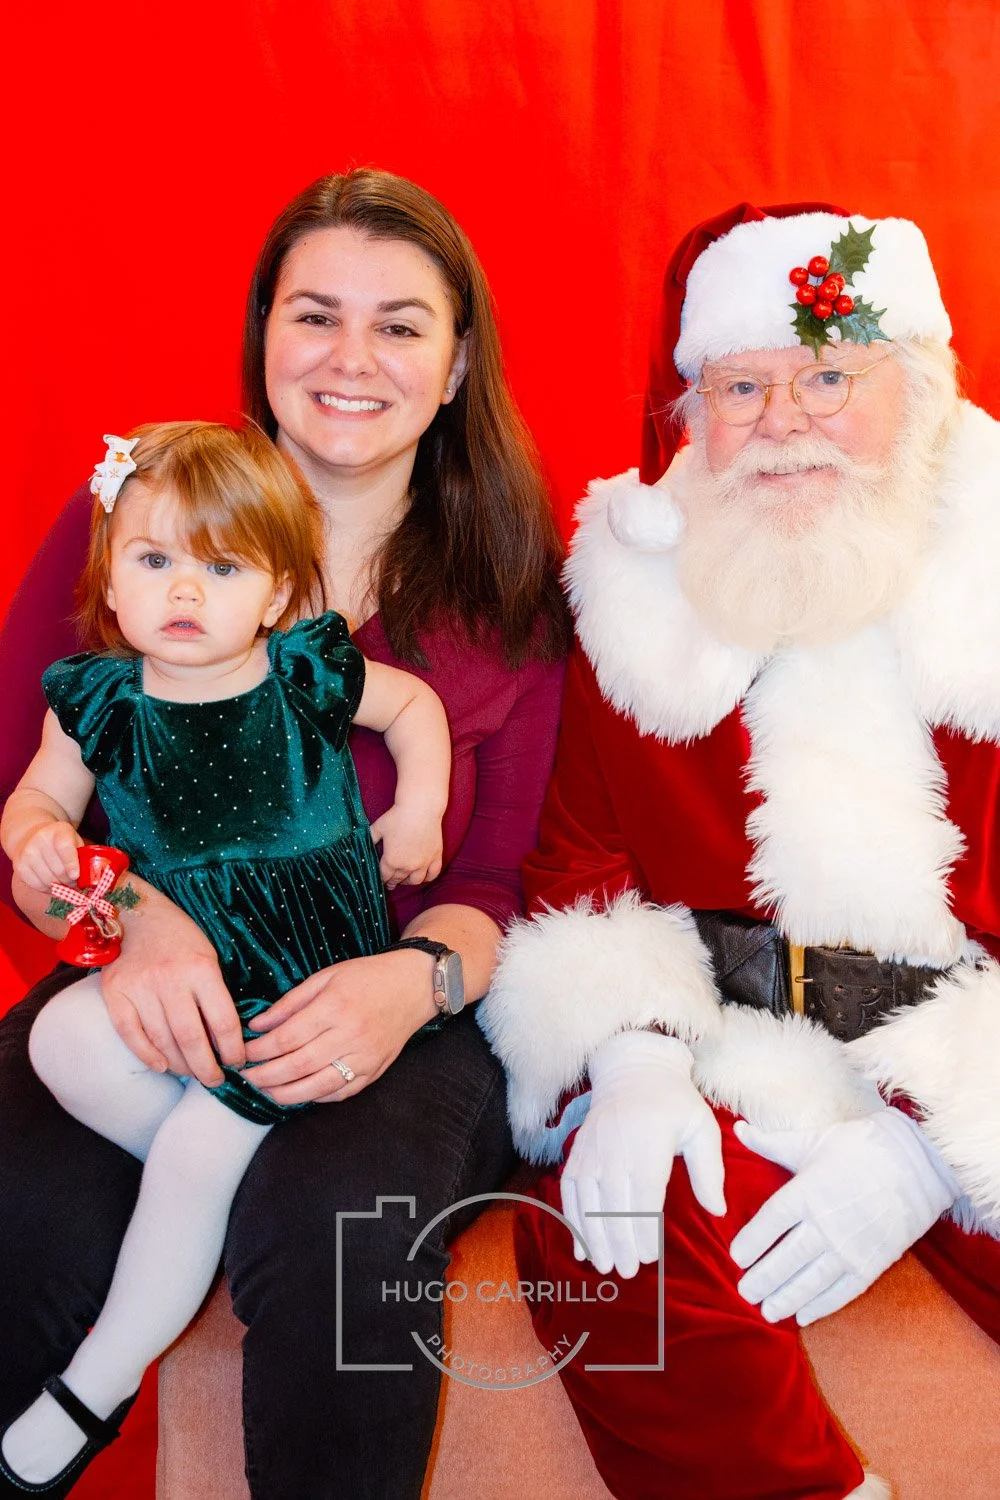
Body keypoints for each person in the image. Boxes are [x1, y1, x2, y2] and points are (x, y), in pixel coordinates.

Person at [0, 171, 569, 1500]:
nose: (352, 358)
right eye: (315, 314)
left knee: (337, 1234)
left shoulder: (510, 597)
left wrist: (407, 986)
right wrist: (128, 920)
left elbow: (497, 880)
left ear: (457, 360)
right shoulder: (126, 527)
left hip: (398, 1014)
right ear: (262, 332)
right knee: (18, 1210)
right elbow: (31, 817)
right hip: (148, 999)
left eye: (401, 324)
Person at [479, 202, 1000, 1500]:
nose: (784, 419)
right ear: (690, 413)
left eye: (831, 375)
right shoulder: (628, 588)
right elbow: (579, 867)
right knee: (605, 1239)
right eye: (743, 385)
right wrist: (638, 1063)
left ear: (923, 385)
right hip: (744, 1041)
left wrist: (933, 1143)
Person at [0, 418, 456, 1491]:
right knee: (60, 1042)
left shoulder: (302, 676)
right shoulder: (100, 704)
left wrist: (421, 809)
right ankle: (235, 1178)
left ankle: (95, 1381)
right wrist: (42, 842)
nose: (186, 593)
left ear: (279, 590)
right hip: (191, 996)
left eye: (222, 566)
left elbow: (416, 706)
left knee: (198, 1157)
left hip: (300, 989)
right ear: (112, 582)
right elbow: (30, 804)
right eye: (154, 561)